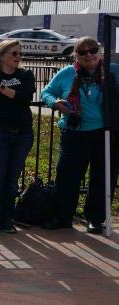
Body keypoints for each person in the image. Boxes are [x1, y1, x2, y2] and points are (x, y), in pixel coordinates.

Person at [40, 36, 119, 233]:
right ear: (76, 55)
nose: (89, 55)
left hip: (105, 132)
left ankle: (95, 218)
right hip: (74, 132)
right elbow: (46, 92)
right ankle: (62, 216)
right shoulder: (67, 73)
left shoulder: (113, 70)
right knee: (67, 177)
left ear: (100, 51)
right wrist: (54, 103)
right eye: (82, 52)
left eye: (92, 50)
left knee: (103, 177)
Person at [0, 40, 35, 234]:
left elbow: (24, 97)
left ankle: (7, 219)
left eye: (20, 54)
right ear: (2, 55)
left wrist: (0, 89)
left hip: (22, 132)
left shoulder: (26, 75)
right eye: (14, 54)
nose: (18, 57)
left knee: (12, 179)